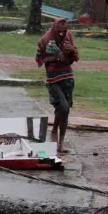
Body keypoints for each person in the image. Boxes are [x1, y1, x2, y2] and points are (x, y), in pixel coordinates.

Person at [35, 18, 80, 153]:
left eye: (64, 31)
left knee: (64, 109)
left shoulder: (68, 36)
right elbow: (39, 59)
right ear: (54, 28)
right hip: (53, 78)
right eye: (59, 31)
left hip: (67, 76)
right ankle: (55, 133)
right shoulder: (45, 40)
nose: (62, 34)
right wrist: (55, 57)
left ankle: (60, 141)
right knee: (64, 108)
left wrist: (71, 49)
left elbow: (75, 56)